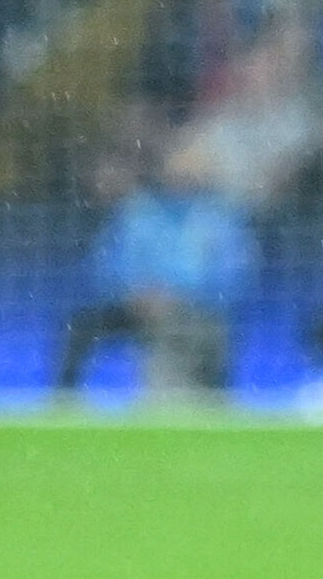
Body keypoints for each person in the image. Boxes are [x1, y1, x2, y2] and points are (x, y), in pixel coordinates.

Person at [60, 135, 249, 403]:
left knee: (202, 329)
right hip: (136, 305)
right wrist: (134, 292)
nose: (182, 174)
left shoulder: (220, 217)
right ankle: (64, 400)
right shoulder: (138, 211)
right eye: (177, 165)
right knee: (80, 326)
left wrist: (178, 295)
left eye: (191, 168)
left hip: (195, 308)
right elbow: (108, 264)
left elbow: (233, 277)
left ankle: (201, 399)